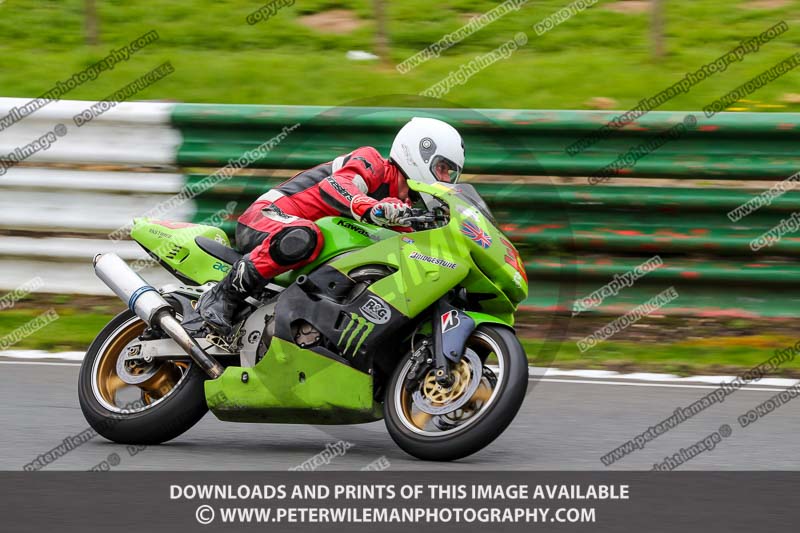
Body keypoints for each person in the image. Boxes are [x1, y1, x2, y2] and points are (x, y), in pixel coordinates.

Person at [196, 117, 465, 336]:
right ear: (420, 152)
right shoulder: (373, 163)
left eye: (450, 174)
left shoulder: (403, 210)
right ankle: (222, 295)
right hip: (269, 217)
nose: (445, 179)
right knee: (304, 236)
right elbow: (336, 186)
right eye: (442, 168)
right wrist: (369, 207)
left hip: (307, 251)